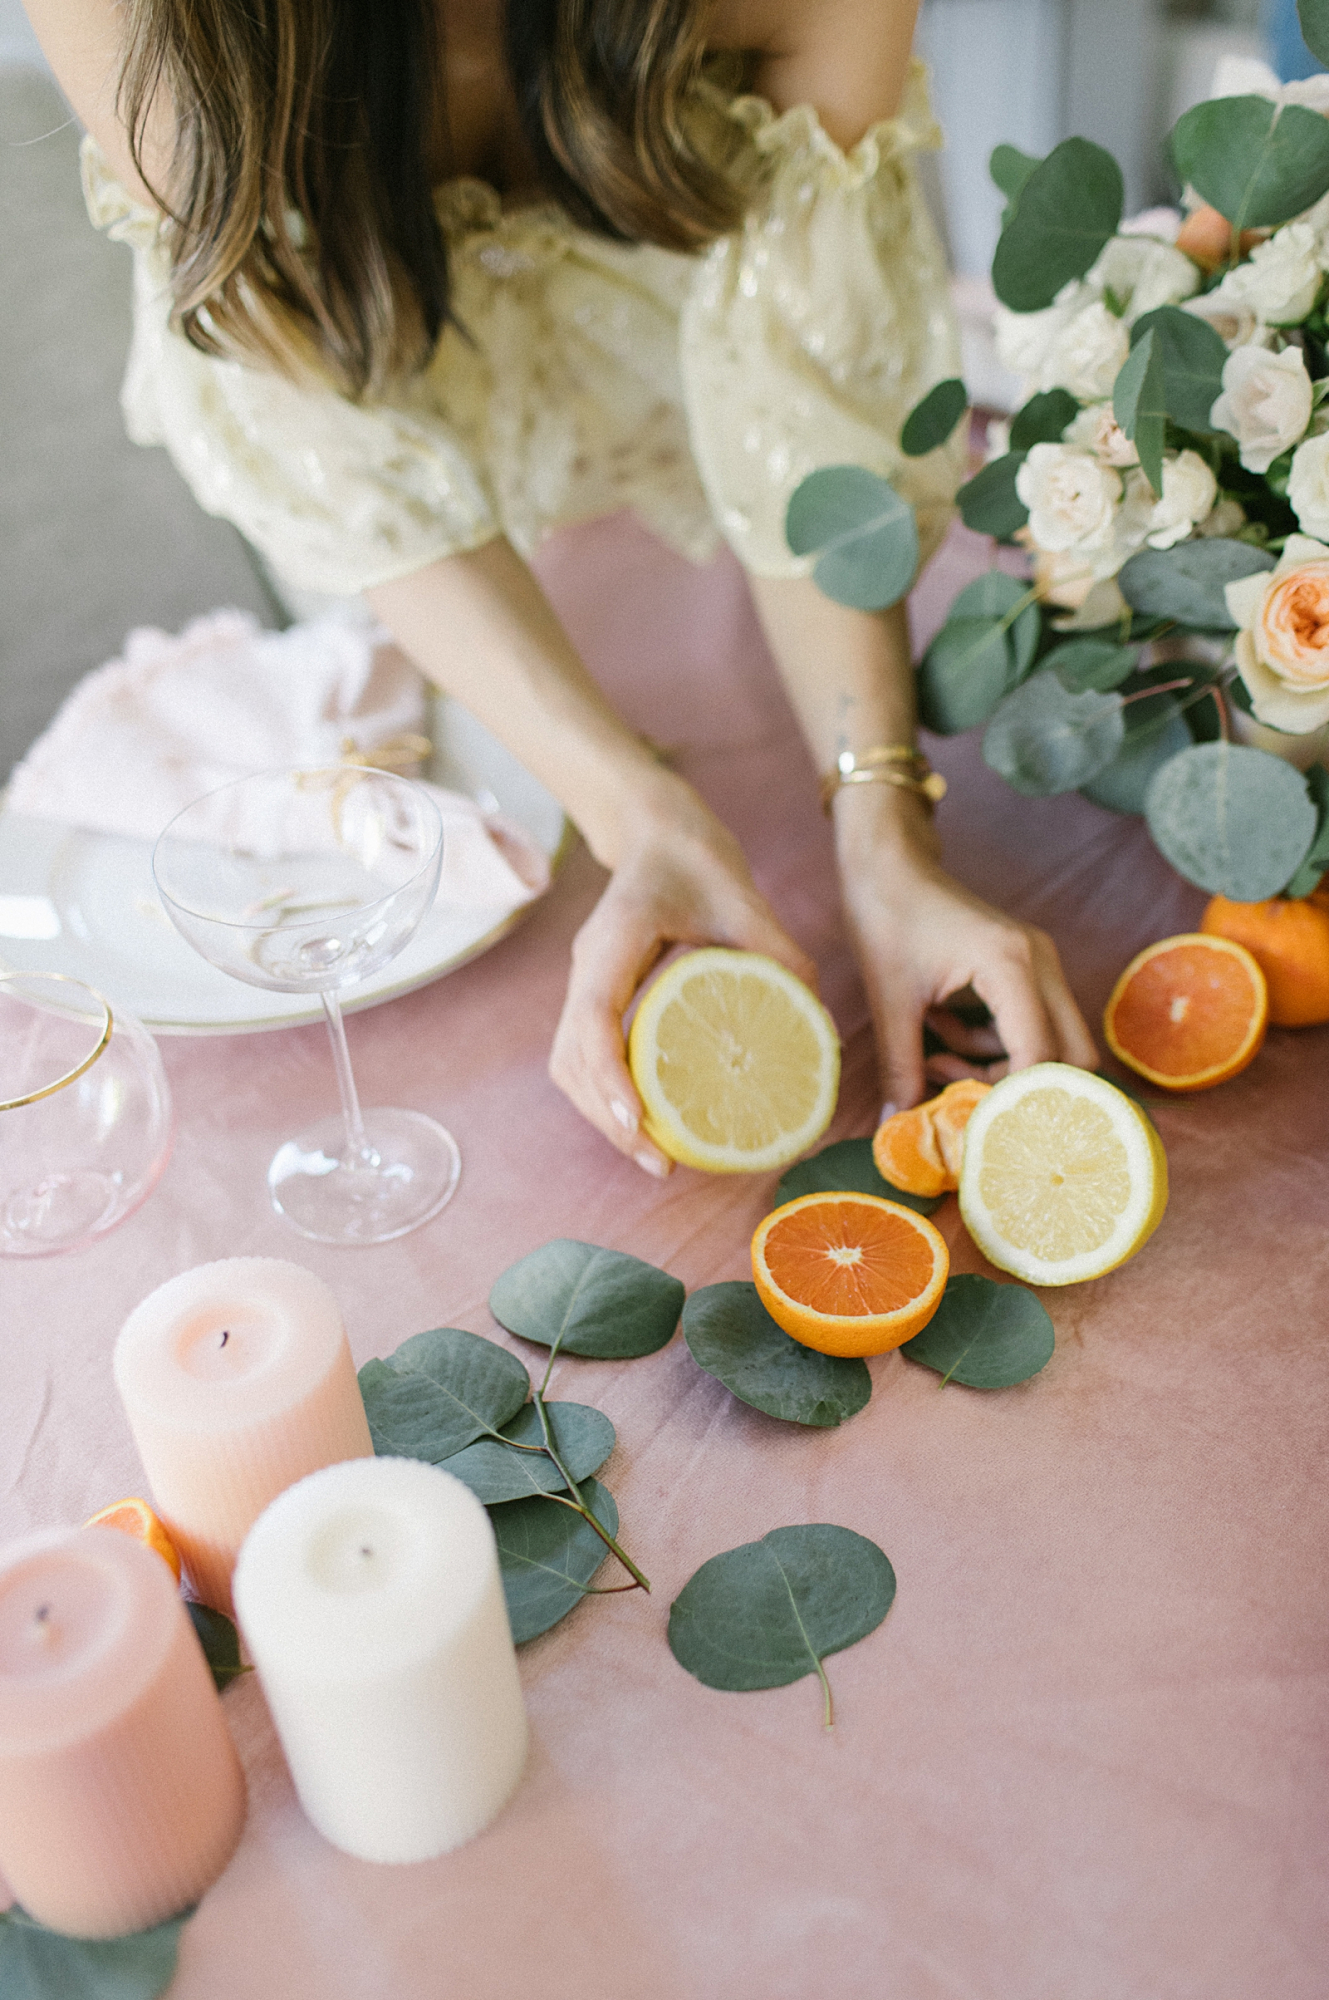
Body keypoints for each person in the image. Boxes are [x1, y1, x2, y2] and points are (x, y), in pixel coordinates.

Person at [25, 0, 1096, 1176]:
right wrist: (637, 810)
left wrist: (886, 832)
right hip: (410, 551)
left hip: (711, 483)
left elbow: (811, 416)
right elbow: (355, 479)